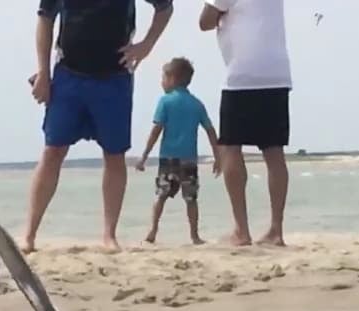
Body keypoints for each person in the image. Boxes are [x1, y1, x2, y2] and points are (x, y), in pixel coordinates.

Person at [23, 0, 174, 253]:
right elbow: (45, 18)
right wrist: (43, 73)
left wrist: (146, 45)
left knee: (114, 155)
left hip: (114, 78)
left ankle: (109, 236)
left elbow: (165, 7)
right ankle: (28, 235)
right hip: (69, 74)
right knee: (52, 151)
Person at [200, 0, 291, 246]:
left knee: (231, 147)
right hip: (276, 72)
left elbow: (204, 21)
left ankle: (242, 229)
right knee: (274, 152)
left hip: (242, 73)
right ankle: (276, 230)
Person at [135, 57, 221, 245]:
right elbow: (210, 130)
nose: (161, 82)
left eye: (163, 78)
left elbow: (156, 130)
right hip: (189, 160)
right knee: (191, 198)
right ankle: (195, 235)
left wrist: (144, 157)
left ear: (172, 78)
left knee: (161, 195)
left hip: (168, 159)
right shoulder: (196, 104)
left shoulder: (165, 101)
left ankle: (152, 231)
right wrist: (218, 157)